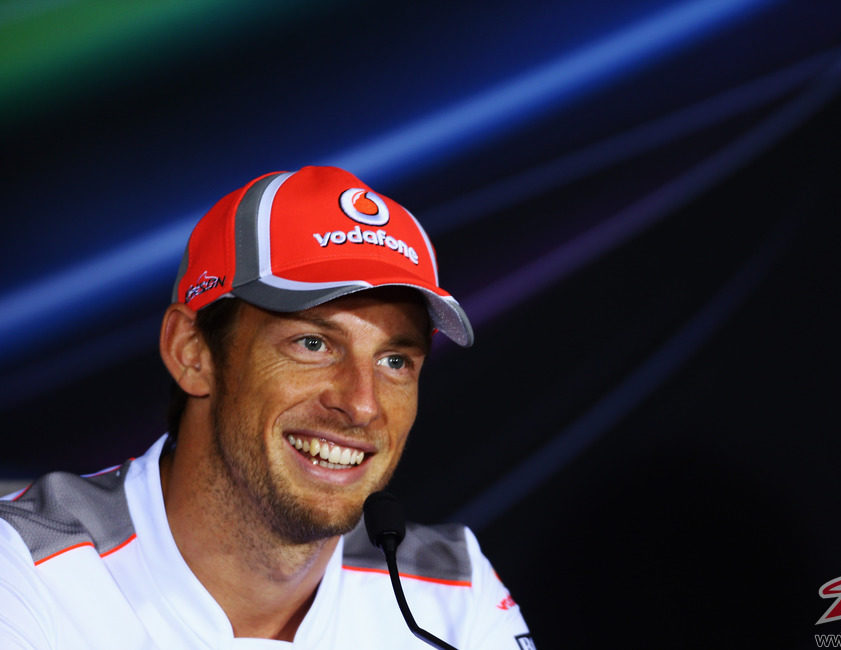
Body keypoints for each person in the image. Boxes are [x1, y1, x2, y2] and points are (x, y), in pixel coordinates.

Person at [0, 166, 533, 649]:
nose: (362, 404)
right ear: (192, 352)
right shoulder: (24, 564)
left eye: (394, 360)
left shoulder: (452, 589)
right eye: (313, 344)